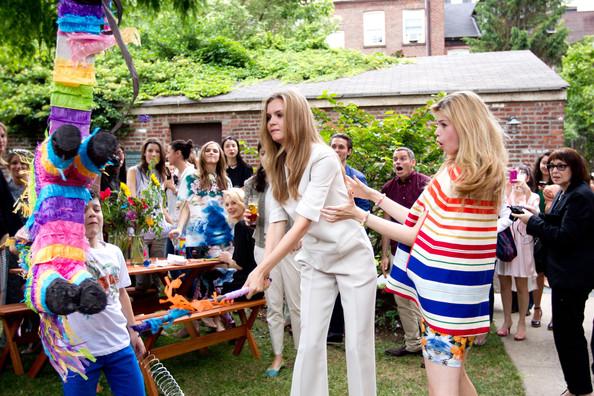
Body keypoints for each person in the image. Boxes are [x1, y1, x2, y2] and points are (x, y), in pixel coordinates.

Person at [322, 91, 507, 396]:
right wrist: (373, 197)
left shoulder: (453, 174)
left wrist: (358, 215)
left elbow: (412, 234)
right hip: (462, 298)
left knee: (442, 388)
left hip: (441, 300)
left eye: (443, 124)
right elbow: (417, 220)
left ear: (466, 125)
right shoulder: (482, 173)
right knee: (457, 378)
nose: (436, 132)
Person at [244, 90, 377, 396]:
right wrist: (264, 269)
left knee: (357, 343)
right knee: (310, 340)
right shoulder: (277, 163)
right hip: (315, 259)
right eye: (268, 116)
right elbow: (277, 221)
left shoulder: (324, 157)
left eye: (279, 115)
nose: (272, 122)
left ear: (298, 116)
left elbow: (303, 221)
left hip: (351, 257)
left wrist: (263, 267)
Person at [514, 147, 594, 396]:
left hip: (573, 276)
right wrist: (535, 214)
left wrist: (532, 223)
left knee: (569, 334)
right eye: (552, 166)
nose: (555, 171)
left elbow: (565, 236)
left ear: (575, 168)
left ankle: (580, 389)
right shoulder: (565, 192)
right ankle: (576, 386)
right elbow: (558, 220)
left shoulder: (580, 195)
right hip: (563, 273)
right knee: (565, 333)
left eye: (561, 166)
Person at [63, 190, 145, 396]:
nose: (92, 214)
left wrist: (133, 332)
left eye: (96, 209)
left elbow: (122, 294)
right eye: (83, 210)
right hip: (79, 351)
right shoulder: (65, 255)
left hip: (118, 344)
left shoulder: (114, 251)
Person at [244, 143, 301, 378]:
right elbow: (249, 217)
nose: (267, 157)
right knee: (274, 306)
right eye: (263, 152)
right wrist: (247, 219)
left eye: (272, 152)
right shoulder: (251, 184)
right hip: (262, 248)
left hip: (291, 249)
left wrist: (299, 236)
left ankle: (302, 354)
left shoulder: (293, 181)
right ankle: (278, 355)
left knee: (297, 306)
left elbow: (303, 215)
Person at [380, 147, 430, 357]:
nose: (398, 163)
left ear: (413, 162)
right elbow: (386, 221)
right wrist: (384, 254)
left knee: (423, 297)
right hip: (396, 250)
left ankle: (430, 346)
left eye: (402, 159)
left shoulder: (426, 184)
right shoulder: (388, 188)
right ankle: (413, 343)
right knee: (401, 295)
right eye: (395, 159)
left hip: (421, 249)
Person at [169, 141, 233, 295]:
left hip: (221, 236)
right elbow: (185, 206)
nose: (211, 153)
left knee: (221, 273)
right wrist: (179, 228)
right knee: (199, 277)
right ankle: (203, 312)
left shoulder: (226, 180)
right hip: (198, 237)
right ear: (202, 155)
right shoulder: (191, 177)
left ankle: (219, 310)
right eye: (208, 150)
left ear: (220, 156)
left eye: (215, 151)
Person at [326, 133, 371, 345]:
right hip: (327, 237)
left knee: (348, 286)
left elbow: (363, 210)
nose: (336, 150)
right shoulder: (322, 174)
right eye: (333, 146)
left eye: (341, 147)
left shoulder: (357, 178)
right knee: (329, 285)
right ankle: (333, 331)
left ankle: (351, 333)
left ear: (349, 151)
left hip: (349, 237)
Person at [496, 164, 540, 341]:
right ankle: (507, 321)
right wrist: (507, 189)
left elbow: (535, 213)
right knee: (504, 283)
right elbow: (500, 211)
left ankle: (522, 321)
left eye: (523, 174)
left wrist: (527, 191)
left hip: (523, 244)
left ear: (528, 178)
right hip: (505, 242)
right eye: (515, 173)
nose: (518, 177)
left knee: (522, 286)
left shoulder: (533, 196)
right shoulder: (506, 194)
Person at [127, 138, 172, 288]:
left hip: (159, 229)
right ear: (144, 153)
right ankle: (143, 309)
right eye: (150, 151)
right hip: (141, 230)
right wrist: (131, 228)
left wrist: (174, 224)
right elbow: (132, 201)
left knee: (160, 273)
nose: (153, 154)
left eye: (157, 151)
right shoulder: (134, 171)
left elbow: (161, 205)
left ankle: (159, 308)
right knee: (143, 273)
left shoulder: (162, 174)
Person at [530, 150, 551, 330]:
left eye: (551, 164)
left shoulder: (560, 186)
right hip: (537, 235)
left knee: (554, 276)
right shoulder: (534, 187)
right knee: (539, 274)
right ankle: (537, 309)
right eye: (545, 163)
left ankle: (556, 315)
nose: (547, 167)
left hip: (553, 233)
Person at [164, 140, 195, 256]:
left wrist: (173, 188)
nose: (167, 156)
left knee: (182, 269)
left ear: (178, 153)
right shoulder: (175, 174)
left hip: (185, 231)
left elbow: (187, 203)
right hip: (174, 227)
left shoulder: (190, 174)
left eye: (168, 152)